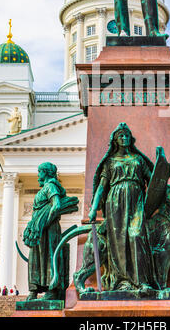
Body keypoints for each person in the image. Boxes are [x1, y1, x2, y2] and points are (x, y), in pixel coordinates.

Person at [89, 122, 159, 291]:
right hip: (116, 201)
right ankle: (123, 281)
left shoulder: (138, 159)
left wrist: (160, 169)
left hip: (136, 200)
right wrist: (93, 208)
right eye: (121, 135)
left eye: (127, 135)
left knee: (137, 236)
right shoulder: (111, 161)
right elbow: (102, 186)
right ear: (115, 140)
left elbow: (153, 180)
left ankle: (141, 280)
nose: (124, 137)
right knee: (119, 241)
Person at [23, 162, 78, 300]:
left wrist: (44, 222)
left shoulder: (51, 186)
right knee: (36, 258)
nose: (38, 175)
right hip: (40, 230)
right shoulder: (45, 188)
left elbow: (56, 205)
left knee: (50, 256)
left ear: (46, 172)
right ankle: (34, 290)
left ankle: (53, 290)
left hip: (49, 228)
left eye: (39, 172)